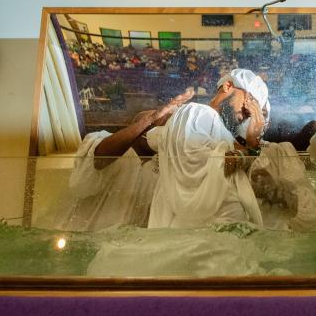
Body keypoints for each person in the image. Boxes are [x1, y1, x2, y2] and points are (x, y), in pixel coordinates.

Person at [92, 68, 270, 228]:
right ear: (228, 86)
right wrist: (251, 147)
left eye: (256, 106)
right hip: (196, 224)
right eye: (250, 99)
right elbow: (200, 166)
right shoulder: (198, 113)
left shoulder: (228, 135)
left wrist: (251, 145)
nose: (250, 109)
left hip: (218, 224)